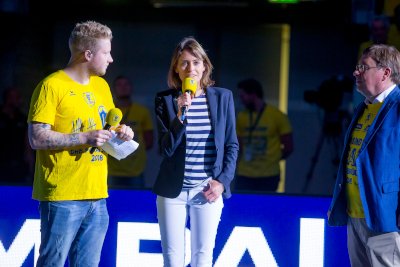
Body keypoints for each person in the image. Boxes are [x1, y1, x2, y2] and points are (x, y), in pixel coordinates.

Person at [27, 21, 133, 266]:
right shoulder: (51, 86)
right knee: (52, 263)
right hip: (62, 197)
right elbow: (36, 138)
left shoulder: (102, 86)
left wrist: (121, 133)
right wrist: (85, 137)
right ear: (88, 54)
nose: (111, 59)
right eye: (106, 53)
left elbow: (106, 131)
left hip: (97, 196)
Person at [153, 37, 238, 266]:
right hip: (173, 191)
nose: (191, 68)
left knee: (202, 257)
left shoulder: (222, 98)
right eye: (184, 63)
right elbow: (166, 148)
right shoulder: (165, 100)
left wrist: (222, 181)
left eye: (196, 62)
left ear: (204, 67)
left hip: (207, 189)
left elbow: (231, 145)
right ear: (176, 70)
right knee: (173, 259)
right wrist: (181, 115)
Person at [328, 44, 400, 266]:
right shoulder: (364, 107)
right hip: (356, 213)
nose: (355, 72)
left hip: (385, 215)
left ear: (385, 72)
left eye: (363, 67)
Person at [235, 78, 293, 192]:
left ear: (253, 95)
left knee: (266, 207)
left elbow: (288, 147)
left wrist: (272, 159)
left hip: (269, 175)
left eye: (243, 96)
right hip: (245, 174)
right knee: (243, 207)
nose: (241, 100)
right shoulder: (241, 116)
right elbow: (238, 145)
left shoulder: (277, 116)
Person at [108, 76, 154, 188]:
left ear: (131, 88)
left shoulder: (142, 111)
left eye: (126, 84)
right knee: (112, 204)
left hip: (135, 170)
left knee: (135, 203)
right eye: (119, 84)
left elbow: (149, 141)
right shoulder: (108, 110)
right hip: (111, 170)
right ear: (114, 89)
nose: (123, 88)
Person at [0, 87, 34, 184]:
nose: (21, 101)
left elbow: (28, 145)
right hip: (2, 164)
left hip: (18, 165)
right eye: (17, 98)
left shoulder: (22, 118)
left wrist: (31, 168)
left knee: (16, 194)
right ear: (9, 98)